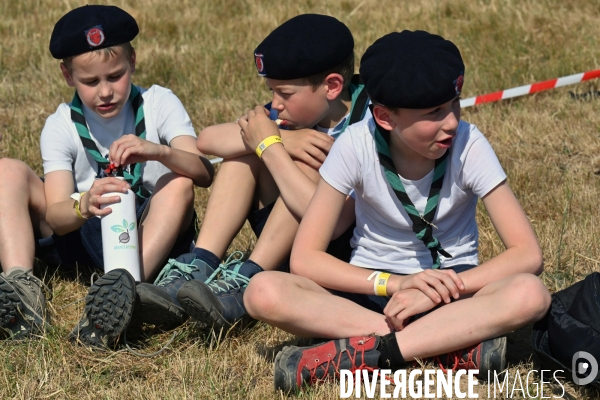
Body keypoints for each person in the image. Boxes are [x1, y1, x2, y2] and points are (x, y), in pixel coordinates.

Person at [239, 31, 552, 392]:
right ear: (386, 117)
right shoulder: (356, 144)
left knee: (531, 294)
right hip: (375, 293)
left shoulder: (469, 143)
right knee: (261, 292)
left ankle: (371, 354)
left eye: (454, 103)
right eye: (434, 112)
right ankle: (443, 347)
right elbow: (306, 259)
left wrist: (438, 291)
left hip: (456, 293)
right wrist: (397, 284)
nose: (451, 121)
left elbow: (527, 253)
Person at [136, 14, 371, 331]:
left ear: (332, 86)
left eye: (284, 94)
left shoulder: (368, 121)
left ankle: (245, 280)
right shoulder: (291, 114)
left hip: (335, 250)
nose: (276, 103)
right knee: (243, 153)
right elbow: (208, 140)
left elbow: (332, 224)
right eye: (271, 92)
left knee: (304, 164)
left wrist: (272, 149)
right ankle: (200, 263)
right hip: (287, 240)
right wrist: (282, 139)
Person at [0, 5, 214, 346]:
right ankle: (21, 291)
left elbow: (204, 172)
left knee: (178, 182)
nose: (105, 92)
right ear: (67, 76)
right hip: (85, 229)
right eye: (90, 81)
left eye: (115, 76)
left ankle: (124, 289)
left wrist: (158, 151)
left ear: (132, 61)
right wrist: (83, 204)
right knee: (6, 171)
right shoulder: (61, 125)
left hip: (148, 233)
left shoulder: (159, 103)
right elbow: (56, 215)